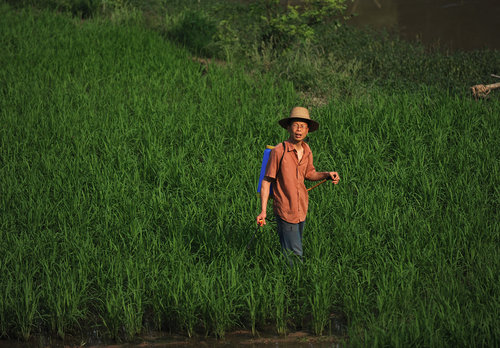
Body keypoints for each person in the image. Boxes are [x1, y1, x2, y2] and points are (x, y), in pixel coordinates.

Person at [256, 106, 340, 264]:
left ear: (308, 130)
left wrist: (327, 175)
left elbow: (309, 174)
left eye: (303, 126)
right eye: (295, 125)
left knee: (292, 250)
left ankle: (289, 279)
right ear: (288, 128)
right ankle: (296, 283)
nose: (299, 129)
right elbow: (267, 181)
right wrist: (263, 211)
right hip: (285, 210)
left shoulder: (307, 150)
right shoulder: (279, 151)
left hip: (301, 208)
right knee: (295, 254)